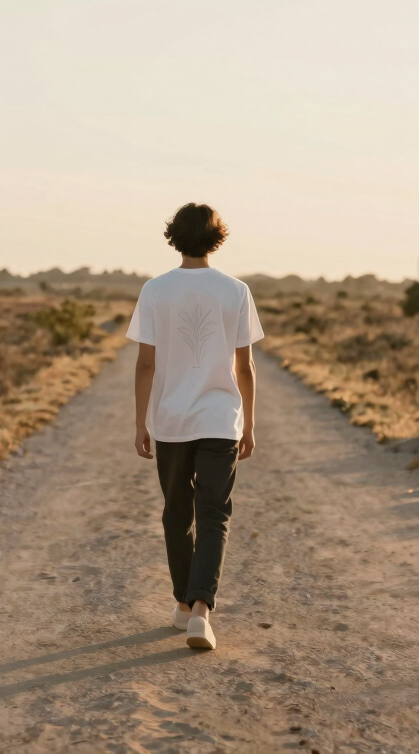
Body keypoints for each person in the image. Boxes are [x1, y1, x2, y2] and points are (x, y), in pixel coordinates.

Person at [127, 202, 264, 651]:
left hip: (170, 418)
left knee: (176, 513)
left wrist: (140, 422)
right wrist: (248, 424)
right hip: (221, 418)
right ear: (216, 238)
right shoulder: (236, 290)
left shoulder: (155, 290)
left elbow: (145, 364)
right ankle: (199, 610)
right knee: (213, 515)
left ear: (174, 237)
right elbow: (245, 367)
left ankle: (186, 605)